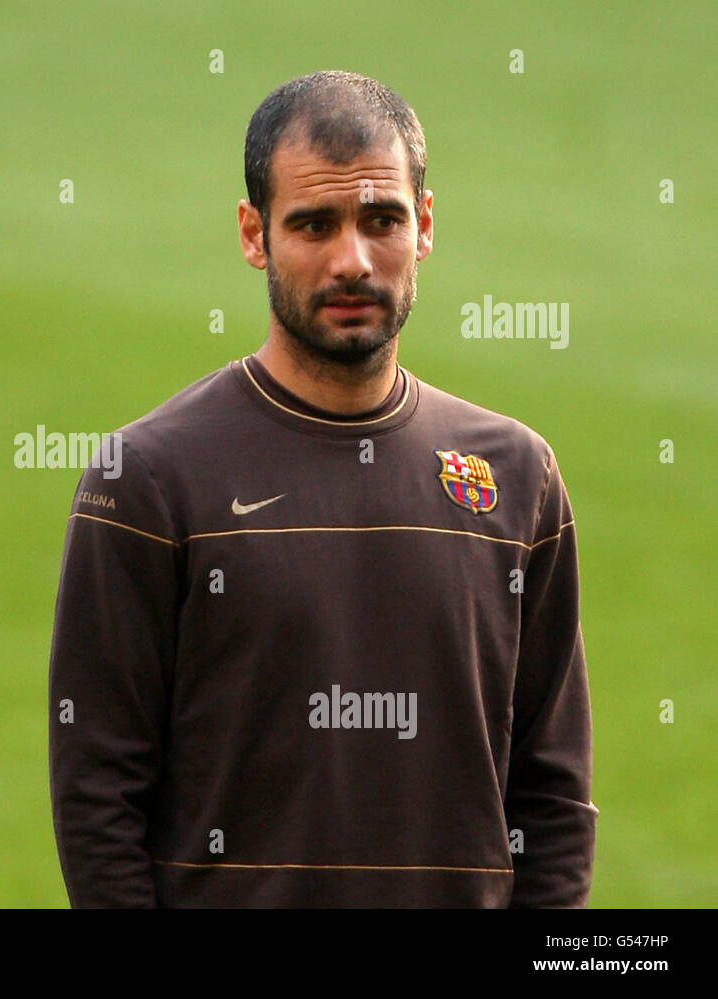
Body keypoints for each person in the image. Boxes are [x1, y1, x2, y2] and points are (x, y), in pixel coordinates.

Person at [48, 70, 595, 908]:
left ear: (425, 226)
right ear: (253, 233)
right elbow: (97, 801)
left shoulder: (517, 477)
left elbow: (552, 797)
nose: (352, 260)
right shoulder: (148, 480)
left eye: (382, 220)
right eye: (313, 224)